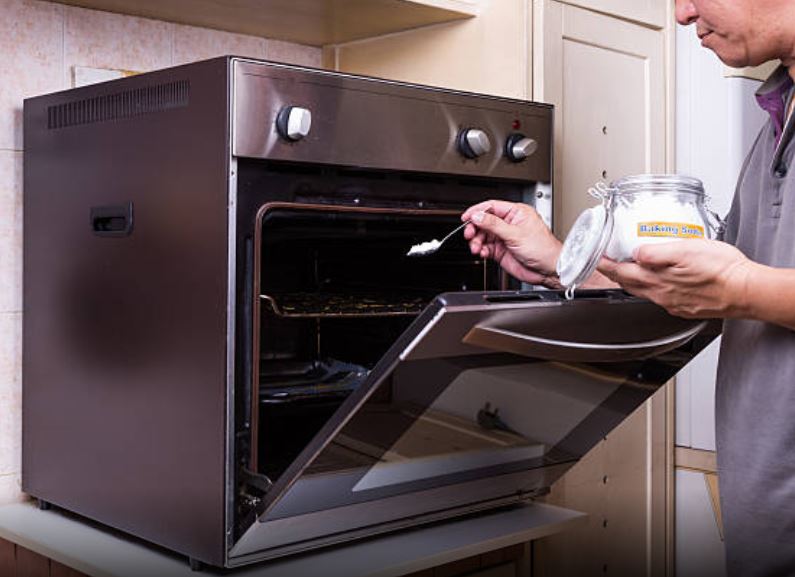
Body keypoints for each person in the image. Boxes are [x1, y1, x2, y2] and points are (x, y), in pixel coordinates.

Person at [462, 1, 795, 575]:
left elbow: (737, 288)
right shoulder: (775, 122)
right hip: (763, 526)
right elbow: (704, 300)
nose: (683, 13)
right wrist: (562, 262)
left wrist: (740, 287)